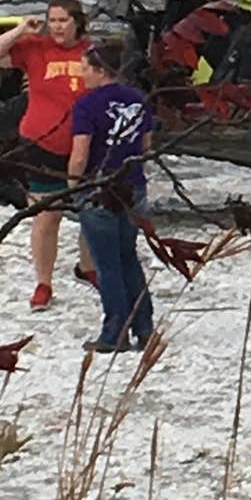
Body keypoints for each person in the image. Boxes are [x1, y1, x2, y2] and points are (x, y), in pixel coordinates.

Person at [0, 0, 95, 307]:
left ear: (77, 22)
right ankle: (43, 282)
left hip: (87, 144)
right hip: (42, 143)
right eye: (52, 21)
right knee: (46, 216)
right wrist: (20, 30)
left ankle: (88, 267)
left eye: (63, 21)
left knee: (92, 209)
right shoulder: (35, 49)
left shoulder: (92, 52)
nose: (57, 27)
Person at [65, 37, 159, 363]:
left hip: (99, 187)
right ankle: (144, 326)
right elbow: (146, 146)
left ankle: (115, 329)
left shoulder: (87, 106)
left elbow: (80, 153)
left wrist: (73, 186)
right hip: (132, 187)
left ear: (100, 70)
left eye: (86, 69)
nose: (82, 75)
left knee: (107, 263)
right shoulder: (139, 100)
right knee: (127, 255)